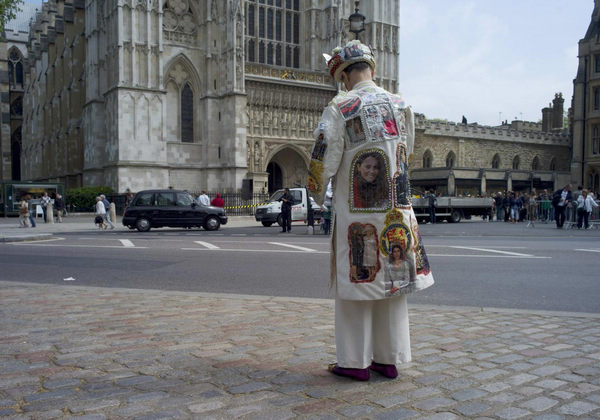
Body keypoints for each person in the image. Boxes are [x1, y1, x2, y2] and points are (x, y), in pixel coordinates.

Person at [308, 39, 434, 382]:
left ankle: (354, 361)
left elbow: (323, 160)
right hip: (397, 213)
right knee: (392, 288)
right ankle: (389, 358)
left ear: (344, 76)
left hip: (358, 215)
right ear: (371, 69)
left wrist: (315, 193)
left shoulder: (341, 106)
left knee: (356, 287)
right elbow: (407, 153)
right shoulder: (401, 104)